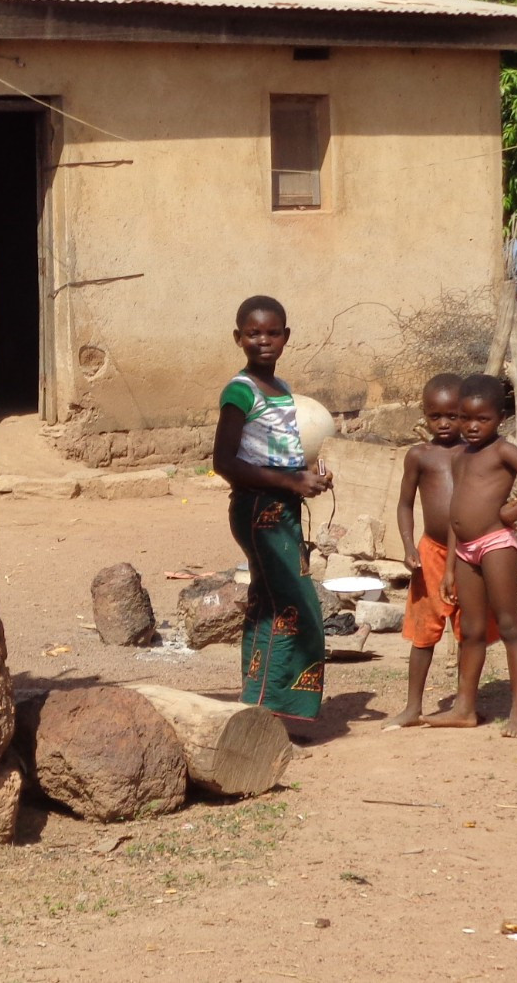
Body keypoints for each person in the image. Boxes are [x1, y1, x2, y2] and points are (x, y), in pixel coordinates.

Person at [212, 296, 333, 725]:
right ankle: (277, 712)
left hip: (281, 506)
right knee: (296, 607)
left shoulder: (281, 390)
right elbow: (224, 462)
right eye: (253, 333)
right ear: (238, 338)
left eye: (272, 332)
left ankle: (258, 705)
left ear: (286, 337)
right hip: (258, 509)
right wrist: (289, 481)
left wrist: (307, 475)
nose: (263, 341)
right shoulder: (240, 390)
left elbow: (275, 451)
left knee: (268, 604)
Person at [419, 372, 517, 737]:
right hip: (464, 551)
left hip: (496, 543)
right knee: (472, 630)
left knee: (509, 625)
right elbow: (454, 514)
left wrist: (513, 513)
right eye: (465, 417)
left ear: (500, 418)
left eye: (483, 419)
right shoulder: (461, 456)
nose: (472, 426)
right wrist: (449, 566)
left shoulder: (504, 451)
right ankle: (464, 708)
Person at [382, 373, 497, 729]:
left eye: (453, 415)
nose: (445, 423)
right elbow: (404, 504)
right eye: (436, 416)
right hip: (431, 551)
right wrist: (406, 545)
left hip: (469, 551)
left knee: (470, 629)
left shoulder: (475, 453)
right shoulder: (420, 456)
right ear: (424, 415)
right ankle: (413, 707)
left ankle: (465, 705)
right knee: (424, 630)